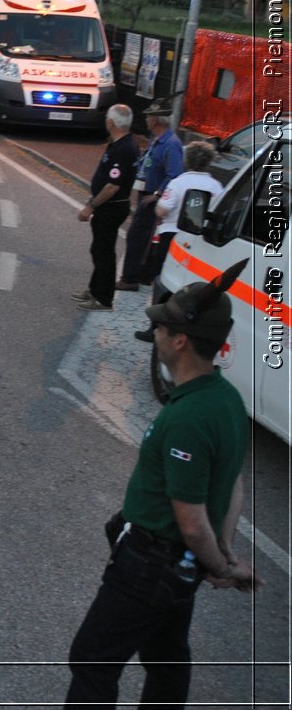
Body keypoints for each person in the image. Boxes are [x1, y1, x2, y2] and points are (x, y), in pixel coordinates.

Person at [63, 259, 259, 709]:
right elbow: (233, 484)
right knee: (167, 657)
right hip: (177, 566)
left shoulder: (188, 417)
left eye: (161, 329)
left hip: (151, 563)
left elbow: (191, 522)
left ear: (181, 339)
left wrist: (222, 567)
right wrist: (222, 553)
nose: (155, 335)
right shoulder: (226, 399)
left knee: (93, 658)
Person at [73, 104, 140, 311]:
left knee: (104, 252)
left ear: (111, 122)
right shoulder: (120, 144)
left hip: (111, 207)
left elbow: (112, 185)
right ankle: (95, 289)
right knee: (99, 249)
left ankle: (103, 298)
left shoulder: (124, 148)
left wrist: (90, 206)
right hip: (109, 206)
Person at [118, 105, 185, 290]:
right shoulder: (158, 140)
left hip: (151, 198)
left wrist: (156, 195)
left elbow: (174, 174)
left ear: (155, 120)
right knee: (138, 236)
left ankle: (130, 279)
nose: (146, 120)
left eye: (148, 117)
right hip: (145, 193)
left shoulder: (170, 144)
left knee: (137, 236)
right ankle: (134, 275)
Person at [146, 140, 225, 282]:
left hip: (171, 235)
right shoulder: (217, 186)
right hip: (200, 238)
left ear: (187, 160)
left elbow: (162, 211)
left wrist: (158, 208)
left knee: (164, 277)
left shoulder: (177, 183)